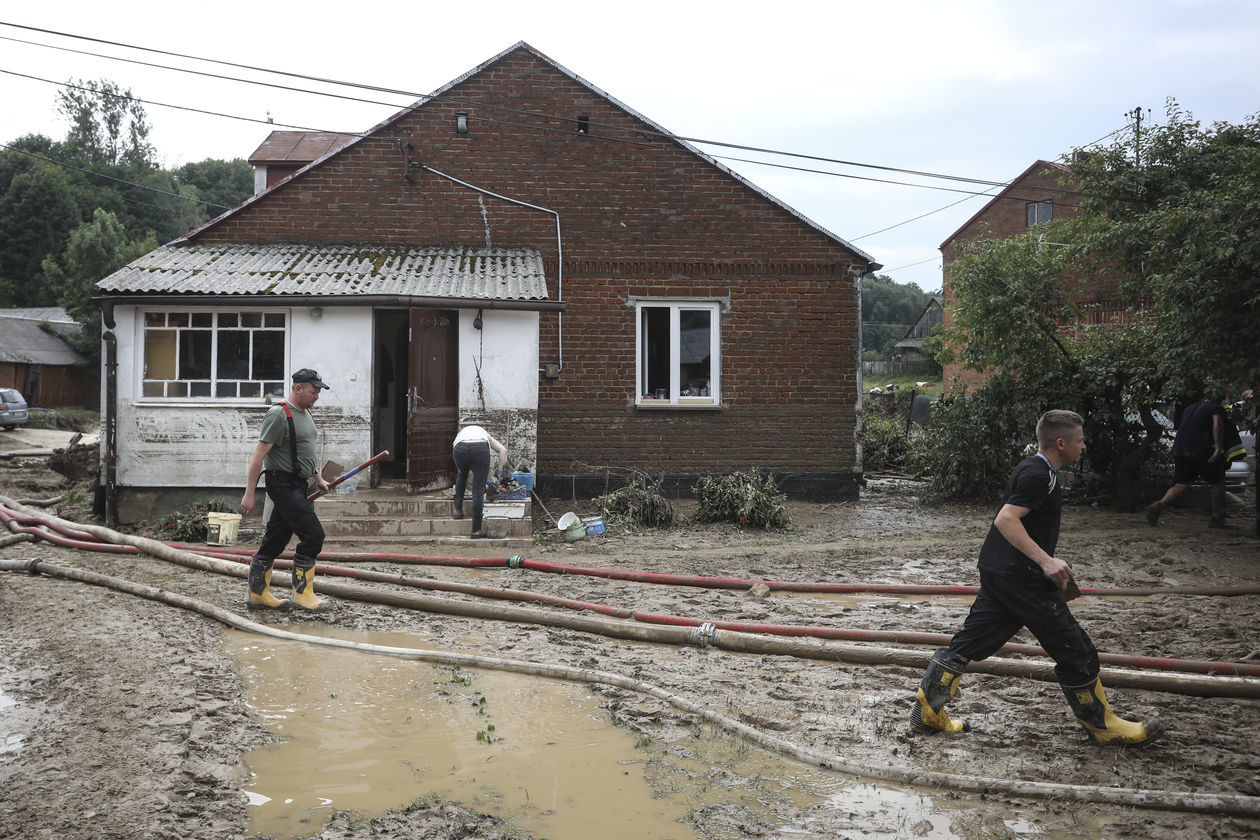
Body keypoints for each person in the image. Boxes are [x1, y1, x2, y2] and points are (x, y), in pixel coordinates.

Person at [911, 410, 1162, 746]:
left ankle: (929, 711)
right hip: (1022, 579)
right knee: (1076, 650)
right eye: (1079, 440)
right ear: (1061, 443)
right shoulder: (1037, 475)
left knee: (971, 642)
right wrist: (1046, 562)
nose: (1084, 446)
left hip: (1003, 572)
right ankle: (1102, 725)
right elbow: (1006, 519)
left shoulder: (1037, 470)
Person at [240, 369, 333, 610]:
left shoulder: (306, 414)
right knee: (313, 534)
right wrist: (249, 493)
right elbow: (258, 457)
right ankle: (303, 596)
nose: (317, 397)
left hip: (299, 483)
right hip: (281, 483)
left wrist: (318, 478)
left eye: (318, 392)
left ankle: (258, 595)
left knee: (277, 538)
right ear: (298, 388)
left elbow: (305, 451)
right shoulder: (278, 415)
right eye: (314, 392)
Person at [1146, 390, 1228, 528]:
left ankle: (1160, 504)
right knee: (1218, 482)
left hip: (1179, 449)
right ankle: (1216, 517)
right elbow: (1216, 425)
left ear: (1202, 397)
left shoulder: (1189, 408)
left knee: (1181, 484)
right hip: (1200, 450)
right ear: (1219, 400)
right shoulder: (1216, 408)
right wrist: (1219, 446)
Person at [451, 424, 508, 539]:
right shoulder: (485, 435)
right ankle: (476, 530)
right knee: (478, 490)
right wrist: (499, 470)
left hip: (459, 449)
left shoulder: (461, 435)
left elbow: (467, 459)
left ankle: (458, 511)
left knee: (462, 475)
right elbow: (503, 450)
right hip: (480, 450)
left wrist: (478, 473)